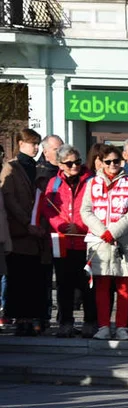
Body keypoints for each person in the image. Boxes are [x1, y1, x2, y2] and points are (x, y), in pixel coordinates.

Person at [80, 144, 128, 341]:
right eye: (108, 161)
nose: (113, 164)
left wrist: (114, 231)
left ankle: (122, 326)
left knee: (124, 286)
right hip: (100, 242)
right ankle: (104, 326)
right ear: (102, 162)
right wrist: (102, 232)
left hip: (125, 241)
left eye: (116, 161)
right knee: (102, 285)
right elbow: (86, 211)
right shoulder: (92, 183)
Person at [38, 144, 96, 337]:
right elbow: (48, 207)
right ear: (60, 164)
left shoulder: (91, 181)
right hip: (62, 240)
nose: (74, 166)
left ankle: (90, 322)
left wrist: (81, 226)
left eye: (77, 162)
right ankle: (66, 322)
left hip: (85, 240)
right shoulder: (54, 183)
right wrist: (62, 226)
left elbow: (96, 208)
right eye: (69, 163)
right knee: (64, 284)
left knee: (87, 283)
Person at [0, 128, 49, 335]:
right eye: (32, 143)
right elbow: (9, 199)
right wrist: (26, 221)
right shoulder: (11, 167)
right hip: (20, 233)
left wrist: (40, 224)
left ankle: (35, 317)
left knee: (36, 278)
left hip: (38, 233)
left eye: (38, 144)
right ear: (21, 144)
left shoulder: (39, 168)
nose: (36, 148)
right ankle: (21, 319)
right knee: (19, 278)